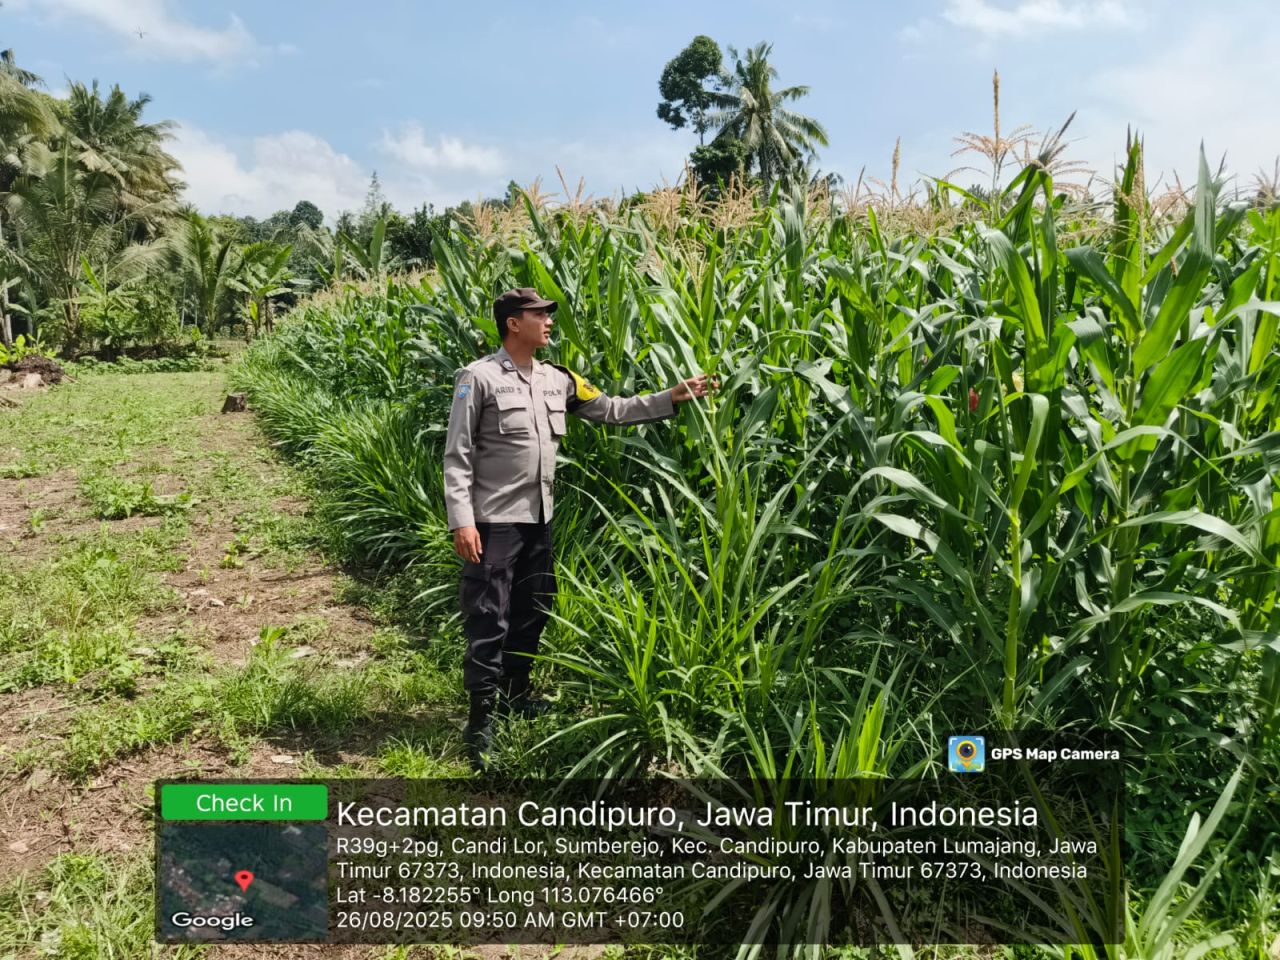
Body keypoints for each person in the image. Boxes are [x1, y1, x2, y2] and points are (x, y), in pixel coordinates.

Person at [442, 287, 716, 770]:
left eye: (548, 315)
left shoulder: (558, 380)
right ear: (512, 323)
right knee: (489, 618)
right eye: (539, 315)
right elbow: (458, 454)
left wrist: (671, 397)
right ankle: (481, 721)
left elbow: (610, 409)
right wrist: (462, 520)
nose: (548, 322)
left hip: (539, 519)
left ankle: (516, 694)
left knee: (532, 609)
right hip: (493, 522)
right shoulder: (478, 378)